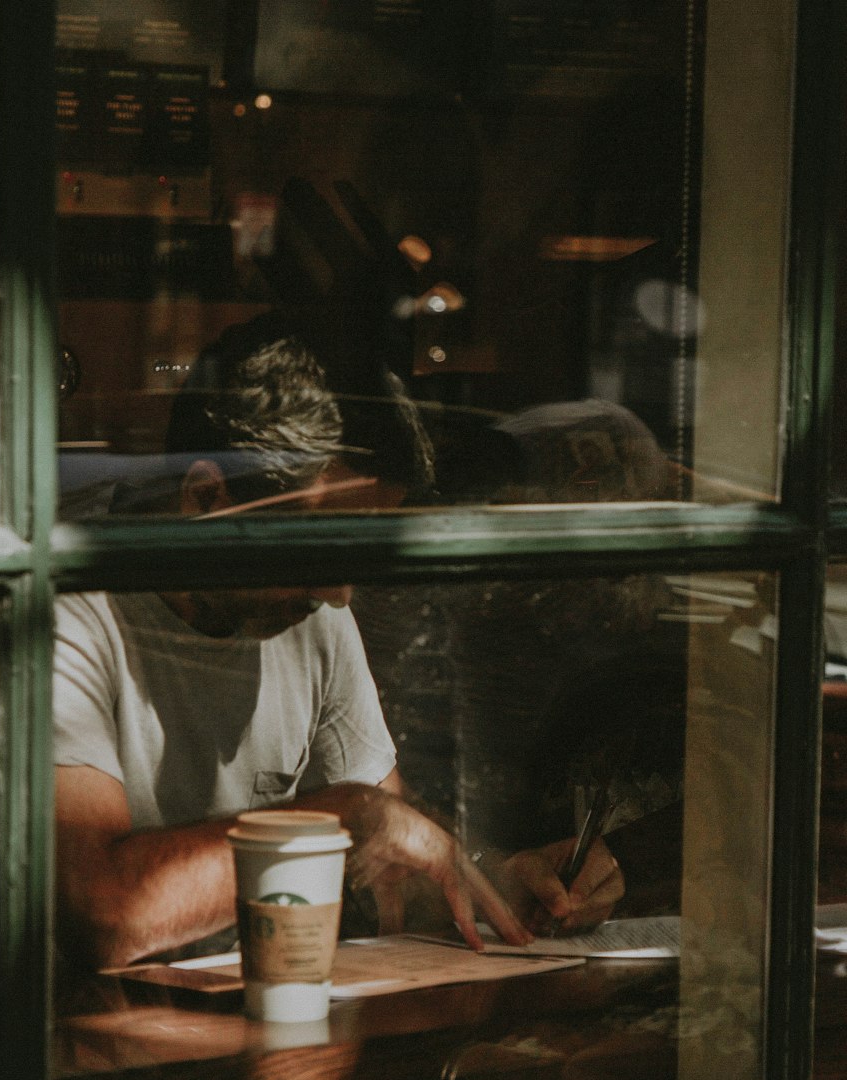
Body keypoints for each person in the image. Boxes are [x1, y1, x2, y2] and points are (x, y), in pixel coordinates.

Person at [53, 319, 623, 971]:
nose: (343, 593)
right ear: (208, 498)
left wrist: (503, 887)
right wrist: (335, 823)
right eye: (320, 546)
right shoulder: (73, 612)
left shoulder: (312, 614)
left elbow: (393, 863)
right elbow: (103, 913)